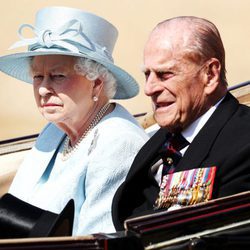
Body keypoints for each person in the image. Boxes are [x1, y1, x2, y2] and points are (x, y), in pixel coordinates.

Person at [0, 6, 149, 236]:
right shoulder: (53, 130)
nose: (42, 90)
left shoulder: (118, 141)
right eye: (38, 77)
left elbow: (94, 240)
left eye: (58, 76)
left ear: (96, 84)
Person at [112, 16, 250, 230]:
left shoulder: (243, 141)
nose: (149, 88)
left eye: (164, 74)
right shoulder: (159, 140)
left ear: (210, 74)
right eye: (147, 74)